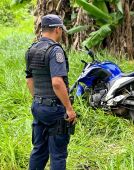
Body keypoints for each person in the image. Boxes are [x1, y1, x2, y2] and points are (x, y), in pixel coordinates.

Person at [25, 14, 76, 170]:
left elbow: (29, 80)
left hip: (38, 106)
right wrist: (69, 108)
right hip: (54, 110)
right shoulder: (55, 51)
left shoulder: (32, 49)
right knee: (58, 155)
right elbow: (57, 82)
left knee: (39, 150)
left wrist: (39, 100)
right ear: (58, 29)